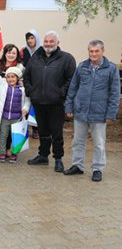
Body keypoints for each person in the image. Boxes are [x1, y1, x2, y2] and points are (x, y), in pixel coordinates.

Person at [63, 40, 120, 182]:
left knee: (99, 143)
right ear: (88, 51)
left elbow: (114, 93)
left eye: (97, 51)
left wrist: (111, 113)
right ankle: (77, 165)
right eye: (91, 51)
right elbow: (73, 88)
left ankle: (97, 169)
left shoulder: (111, 69)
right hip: (81, 111)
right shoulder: (82, 66)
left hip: (99, 113)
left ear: (102, 51)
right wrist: (69, 106)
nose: (93, 54)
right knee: (78, 141)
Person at [23, 31, 76, 173]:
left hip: (56, 103)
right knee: (43, 131)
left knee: (56, 133)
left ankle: (58, 159)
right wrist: (31, 91)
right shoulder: (35, 58)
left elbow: (71, 79)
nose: (48, 44)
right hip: (38, 102)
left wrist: (61, 93)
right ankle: (43, 156)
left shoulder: (67, 59)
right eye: (46, 41)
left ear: (58, 43)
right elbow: (26, 76)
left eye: (51, 41)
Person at [0, 64, 30, 163]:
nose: (10, 79)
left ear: (17, 78)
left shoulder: (22, 89)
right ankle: (2, 153)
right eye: (8, 77)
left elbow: (27, 101)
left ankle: (14, 154)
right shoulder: (2, 85)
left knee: (15, 137)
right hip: (4, 117)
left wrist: (25, 108)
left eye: (12, 77)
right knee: (3, 135)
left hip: (17, 117)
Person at [0, 44, 24, 157]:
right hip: (0, 99)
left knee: (10, 129)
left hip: (14, 101)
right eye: (9, 52)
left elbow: (21, 84)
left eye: (14, 53)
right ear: (5, 53)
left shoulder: (20, 67)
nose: (11, 55)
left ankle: (8, 148)